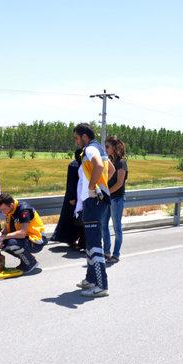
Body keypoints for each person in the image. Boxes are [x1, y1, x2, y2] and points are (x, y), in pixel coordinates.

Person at [72, 123, 115, 298]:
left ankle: (101, 285)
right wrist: (101, 186)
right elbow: (110, 170)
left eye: (76, 138)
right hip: (98, 200)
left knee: (95, 245)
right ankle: (91, 279)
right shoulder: (99, 148)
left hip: (93, 201)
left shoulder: (90, 149)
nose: (76, 142)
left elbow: (98, 166)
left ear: (84, 136)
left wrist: (92, 187)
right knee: (90, 243)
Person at [0, 193, 47, 275]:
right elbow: (7, 229)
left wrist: (3, 237)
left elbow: (22, 233)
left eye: (3, 209)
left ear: (11, 205)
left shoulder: (23, 210)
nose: (2, 212)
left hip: (36, 240)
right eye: (1, 210)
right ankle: (26, 260)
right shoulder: (10, 210)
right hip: (25, 238)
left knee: (11, 243)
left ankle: (31, 262)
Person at [51, 148, 85, 249]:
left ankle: (78, 241)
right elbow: (70, 183)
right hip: (73, 197)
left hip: (80, 197)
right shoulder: (74, 165)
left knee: (79, 219)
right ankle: (71, 240)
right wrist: (72, 197)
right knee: (72, 220)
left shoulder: (83, 165)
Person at [101, 136, 128, 263]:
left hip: (116, 200)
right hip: (109, 199)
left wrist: (107, 193)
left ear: (114, 148)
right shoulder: (109, 161)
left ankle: (116, 254)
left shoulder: (121, 162)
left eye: (107, 146)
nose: (105, 149)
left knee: (117, 227)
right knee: (103, 225)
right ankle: (106, 252)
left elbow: (119, 183)